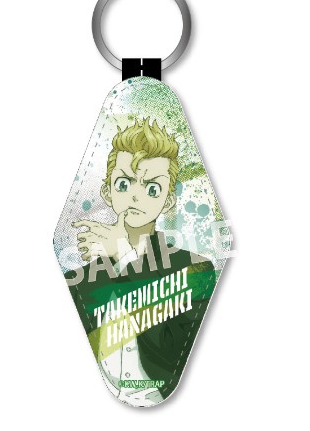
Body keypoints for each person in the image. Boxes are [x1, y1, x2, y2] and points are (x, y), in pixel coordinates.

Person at [64, 118, 216, 406]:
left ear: (168, 201)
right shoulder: (78, 281)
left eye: (152, 189)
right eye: (124, 184)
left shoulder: (195, 269)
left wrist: (123, 254)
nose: (135, 196)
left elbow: (168, 353)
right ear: (107, 191)